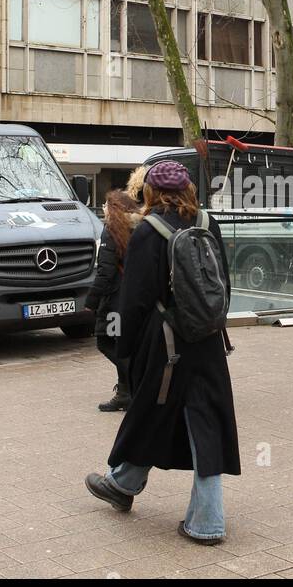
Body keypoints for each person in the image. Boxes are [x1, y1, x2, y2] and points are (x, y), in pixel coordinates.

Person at [85, 161, 240, 545]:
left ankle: (205, 522)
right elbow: (223, 285)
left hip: (164, 343)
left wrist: (127, 352)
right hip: (206, 341)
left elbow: (134, 301)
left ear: (150, 192)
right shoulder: (208, 224)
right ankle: (125, 484)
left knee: (152, 410)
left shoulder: (147, 232)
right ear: (189, 189)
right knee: (200, 421)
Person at [85, 189, 142, 412]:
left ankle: (133, 386)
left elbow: (105, 272)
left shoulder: (111, 233)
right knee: (122, 344)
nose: (104, 210)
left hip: (115, 304)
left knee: (107, 342)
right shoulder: (139, 228)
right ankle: (125, 392)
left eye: (106, 206)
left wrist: (91, 301)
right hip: (134, 298)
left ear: (114, 209)